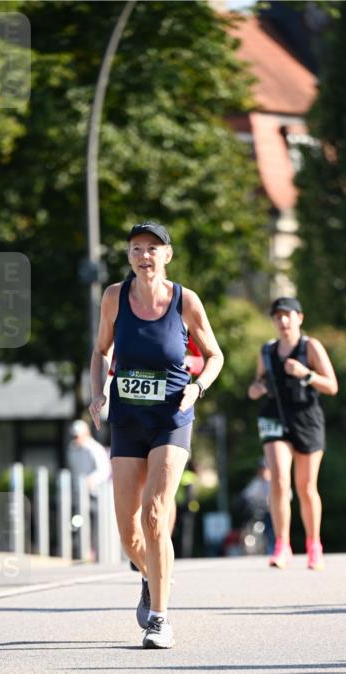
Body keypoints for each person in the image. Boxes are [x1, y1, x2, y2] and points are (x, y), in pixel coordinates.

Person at [89, 221, 223, 649]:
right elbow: (101, 351)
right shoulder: (114, 297)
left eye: (153, 249)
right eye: (136, 249)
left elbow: (215, 355)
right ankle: (151, 574)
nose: (144, 256)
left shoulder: (186, 301)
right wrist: (98, 393)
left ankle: (160, 619)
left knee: (154, 513)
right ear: (128, 256)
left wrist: (197, 387)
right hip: (127, 420)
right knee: (128, 532)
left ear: (167, 255)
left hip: (171, 416)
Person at [247, 296, 338, 570]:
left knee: (306, 487)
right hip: (275, 418)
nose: (283, 321)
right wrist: (256, 390)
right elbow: (255, 385)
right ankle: (282, 545)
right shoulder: (267, 351)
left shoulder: (311, 347)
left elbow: (332, 386)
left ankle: (314, 546)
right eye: (278, 317)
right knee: (278, 480)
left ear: (300, 318)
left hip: (307, 419)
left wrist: (305, 374)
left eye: (288, 315)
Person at [67, 418, 112, 559]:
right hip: (79, 494)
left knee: (96, 525)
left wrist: (89, 481)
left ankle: (97, 553)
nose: (75, 439)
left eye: (77, 435)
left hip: (95, 495)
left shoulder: (94, 449)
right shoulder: (72, 449)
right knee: (78, 521)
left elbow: (104, 470)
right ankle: (82, 551)